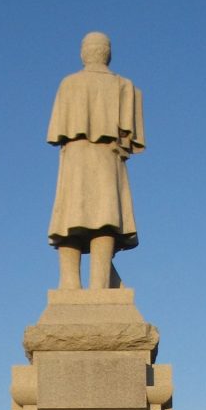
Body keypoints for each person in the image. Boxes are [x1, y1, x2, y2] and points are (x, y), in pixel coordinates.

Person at [47, 32, 145, 290]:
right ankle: (99, 285)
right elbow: (131, 139)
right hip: (106, 160)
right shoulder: (125, 87)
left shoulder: (69, 84)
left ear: (83, 53)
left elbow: (56, 132)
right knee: (104, 218)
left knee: (72, 219)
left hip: (77, 160)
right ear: (108, 53)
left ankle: (70, 284)